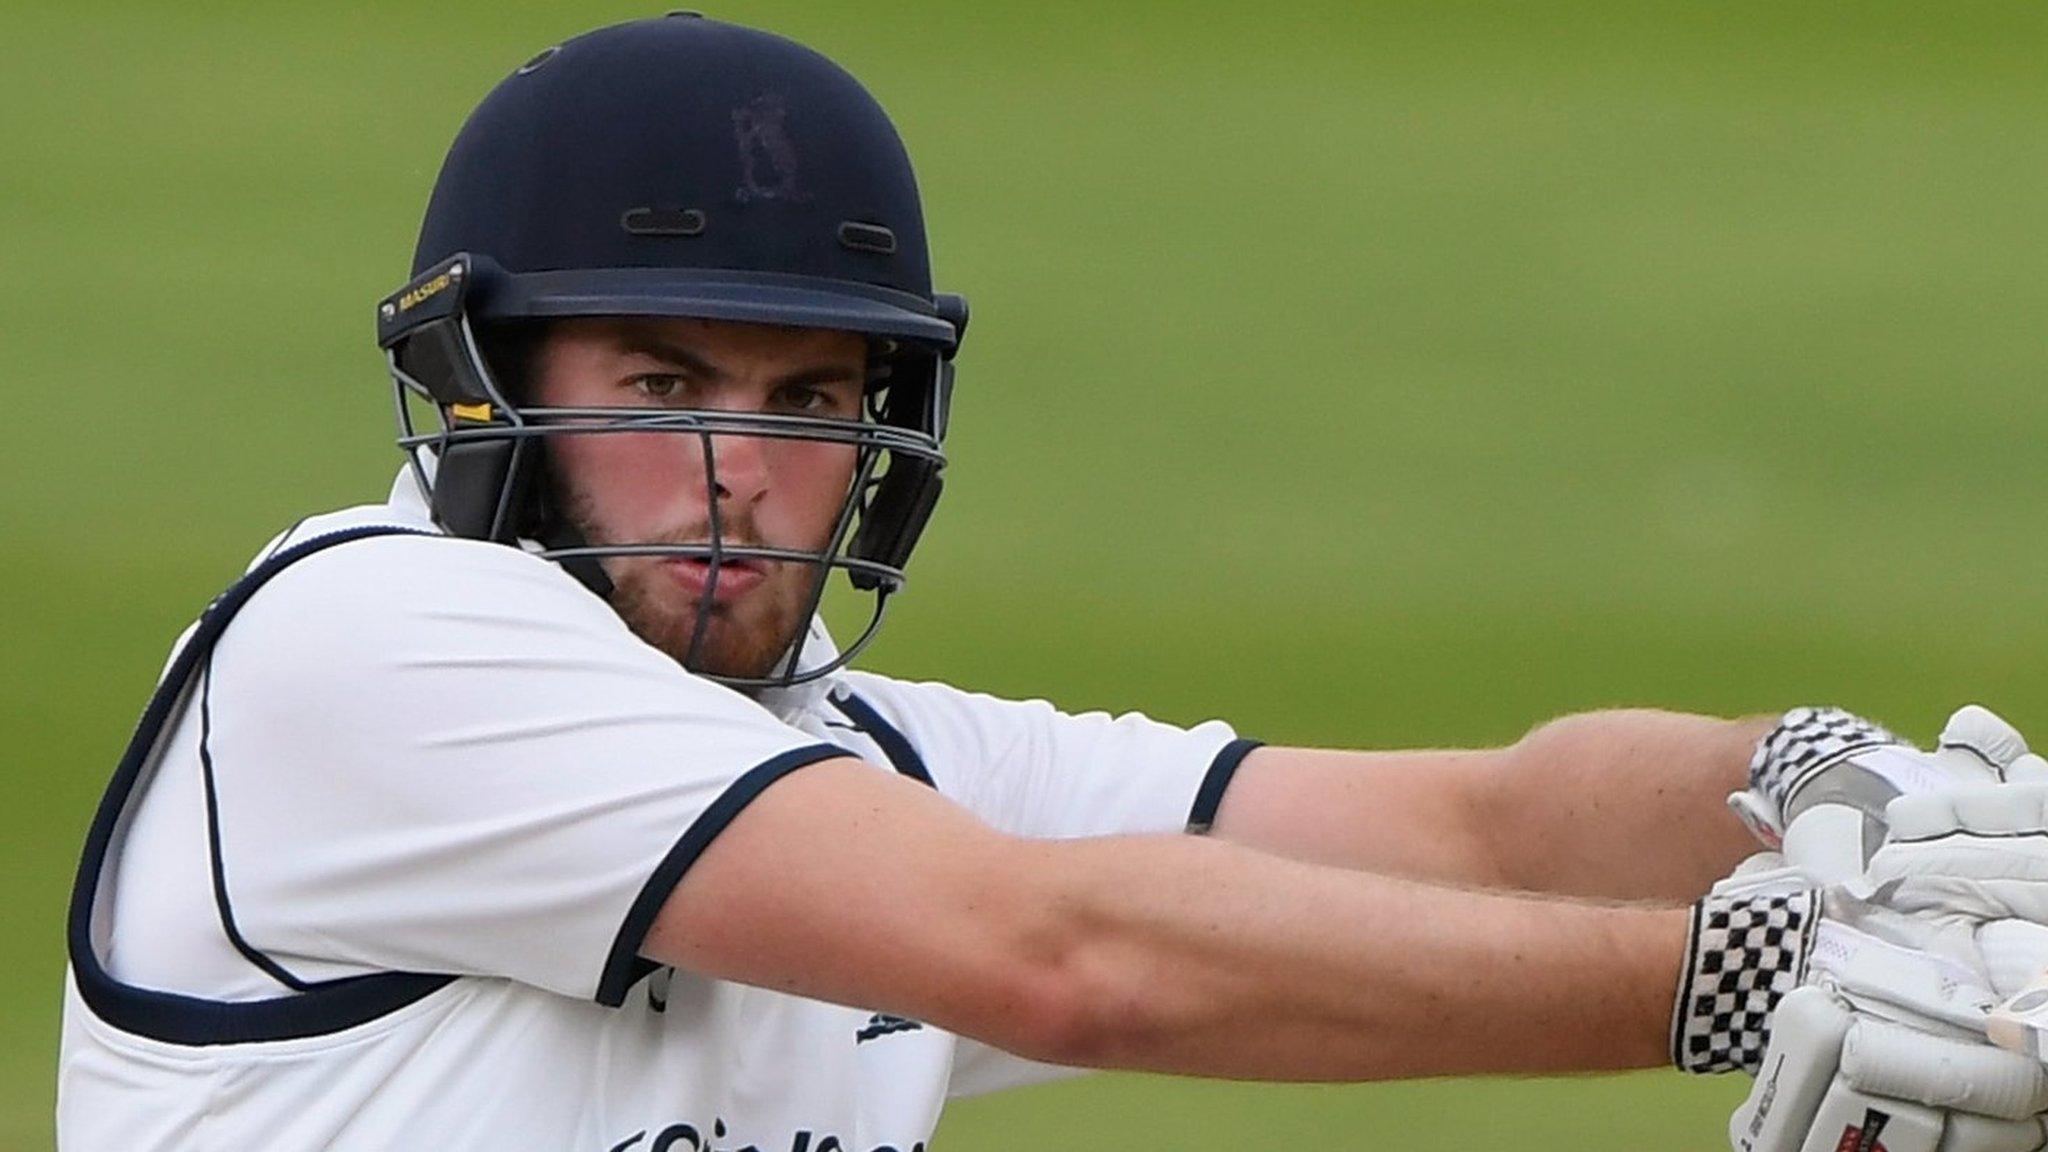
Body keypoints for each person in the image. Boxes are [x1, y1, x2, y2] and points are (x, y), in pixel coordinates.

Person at [54, 15, 2048, 1152]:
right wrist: (1752, 978)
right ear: (485, 396)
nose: (743, 473)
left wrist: (1824, 783)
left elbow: (1475, 823)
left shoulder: (863, 762)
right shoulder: (367, 649)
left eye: (811, 394)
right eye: (660, 384)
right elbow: (1057, 953)